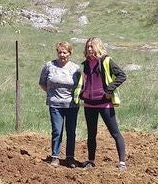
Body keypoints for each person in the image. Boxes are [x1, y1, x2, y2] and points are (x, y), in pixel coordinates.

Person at [73, 36, 128, 170]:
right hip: (89, 104)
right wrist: (81, 94)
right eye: (87, 47)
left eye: (92, 46)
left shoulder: (106, 60)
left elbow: (122, 75)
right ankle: (91, 161)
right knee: (91, 134)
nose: (89, 49)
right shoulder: (85, 63)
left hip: (104, 103)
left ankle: (122, 162)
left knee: (114, 132)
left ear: (98, 47)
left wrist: (109, 89)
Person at [38, 42, 80, 166]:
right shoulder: (49, 66)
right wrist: (52, 94)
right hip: (55, 104)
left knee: (71, 131)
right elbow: (42, 83)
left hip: (71, 105)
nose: (62, 55)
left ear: (70, 53)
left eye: (65, 52)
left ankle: (70, 157)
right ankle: (55, 156)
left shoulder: (76, 68)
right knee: (57, 130)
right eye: (60, 52)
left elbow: (79, 86)